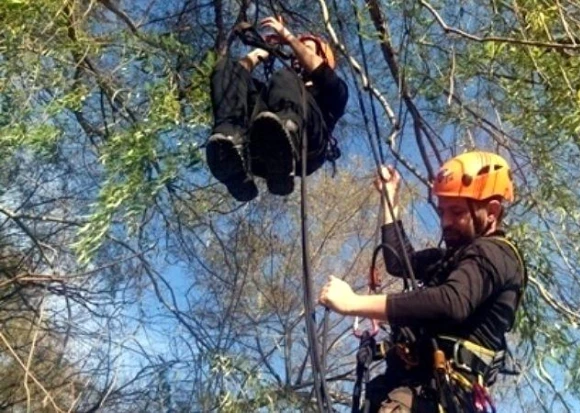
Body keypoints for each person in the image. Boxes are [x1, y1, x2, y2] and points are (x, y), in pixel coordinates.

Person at [319, 152, 527, 412]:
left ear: (492, 211)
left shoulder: (496, 254)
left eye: (457, 211)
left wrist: (353, 304)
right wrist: (390, 199)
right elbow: (399, 262)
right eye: (442, 211)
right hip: (410, 388)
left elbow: (451, 302)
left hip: (440, 396)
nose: (445, 222)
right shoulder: (449, 261)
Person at [206, 16, 349, 201]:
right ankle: (230, 145)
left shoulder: (333, 92)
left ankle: (284, 142)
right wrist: (263, 50)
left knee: (285, 77)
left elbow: (319, 70)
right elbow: (237, 73)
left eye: (303, 49)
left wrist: (288, 37)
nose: (295, 56)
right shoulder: (279, 91)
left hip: (307, 149)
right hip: (262, 145)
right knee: (227, 68)